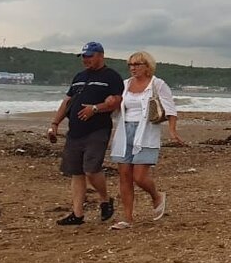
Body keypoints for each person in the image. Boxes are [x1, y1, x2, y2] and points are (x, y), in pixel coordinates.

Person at [48, 41, 124, 226]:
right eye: (83, 56)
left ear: (100, 55)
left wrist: (95, 109)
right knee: (76, 173)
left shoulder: (111, 76)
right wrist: (54, 123)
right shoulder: (79, 77)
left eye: (89, 56)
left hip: (97, 130)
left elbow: (117, 101)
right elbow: (67, 101)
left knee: (91, 170)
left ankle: (105, 199)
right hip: (75, 131)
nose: (85, 59)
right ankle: (77, 214)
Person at [106, 50, 182, 230]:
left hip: (146, 132)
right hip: (124, 132)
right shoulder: (124, 85)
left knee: (139, 177)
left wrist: (172, 131)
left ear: (147, 66)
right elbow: (116, 107)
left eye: (137, 64)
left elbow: (171, 109)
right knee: (124, 176)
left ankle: (156, 196)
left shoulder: (158, 84)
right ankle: (128, 218)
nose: (133, 68)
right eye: (130, 65)